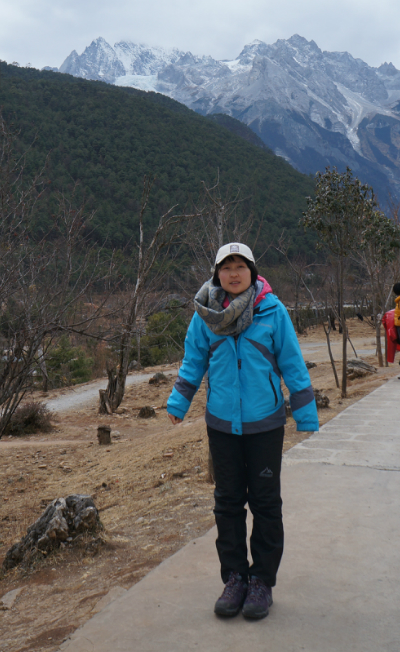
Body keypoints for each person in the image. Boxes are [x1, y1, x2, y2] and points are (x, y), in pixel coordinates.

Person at [166, 242, 319, 620]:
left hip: (265, 424)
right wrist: (178, 402)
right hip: (222, 425)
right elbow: (193, 362)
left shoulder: (273, 311)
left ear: (252, 271)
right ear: (217, 274)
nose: (233, 274)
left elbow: (292, 363)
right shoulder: (204, 316)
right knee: (228, 502)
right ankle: (235, 577)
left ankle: (262, 580)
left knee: (265, 503)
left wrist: (306, 414)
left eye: (240, 266)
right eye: (226, 267)